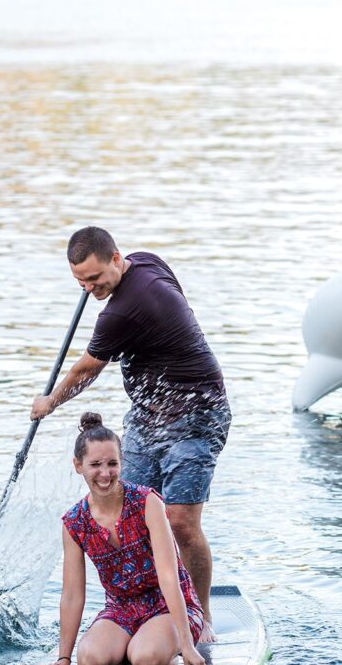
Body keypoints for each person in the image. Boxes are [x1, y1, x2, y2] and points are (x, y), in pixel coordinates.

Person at [31, 226, 231, 643]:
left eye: (95, 279)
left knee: (180, 522)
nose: (89, 289)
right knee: (128, 516)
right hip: (147, 416)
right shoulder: (146, 261)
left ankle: (200, 617)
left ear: (116, 258)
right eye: (80, 282)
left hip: (197, 414)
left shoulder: (124, 309)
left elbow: (87, 369)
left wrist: (50, 401)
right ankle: (141, 611)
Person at [38, 413, 206, 665]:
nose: (105, 473)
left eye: (112, 464)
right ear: (78, 465)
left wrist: (186, 645)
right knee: (91, 662)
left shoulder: (147, 503)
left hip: (169, 604)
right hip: (122, 609)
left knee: (147, 660)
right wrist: (63, 658)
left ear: (121, 463)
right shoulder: (74, 522)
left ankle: (160, 654)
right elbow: (71, 595)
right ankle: (131, 650)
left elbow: (168, 576)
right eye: (95, 464)